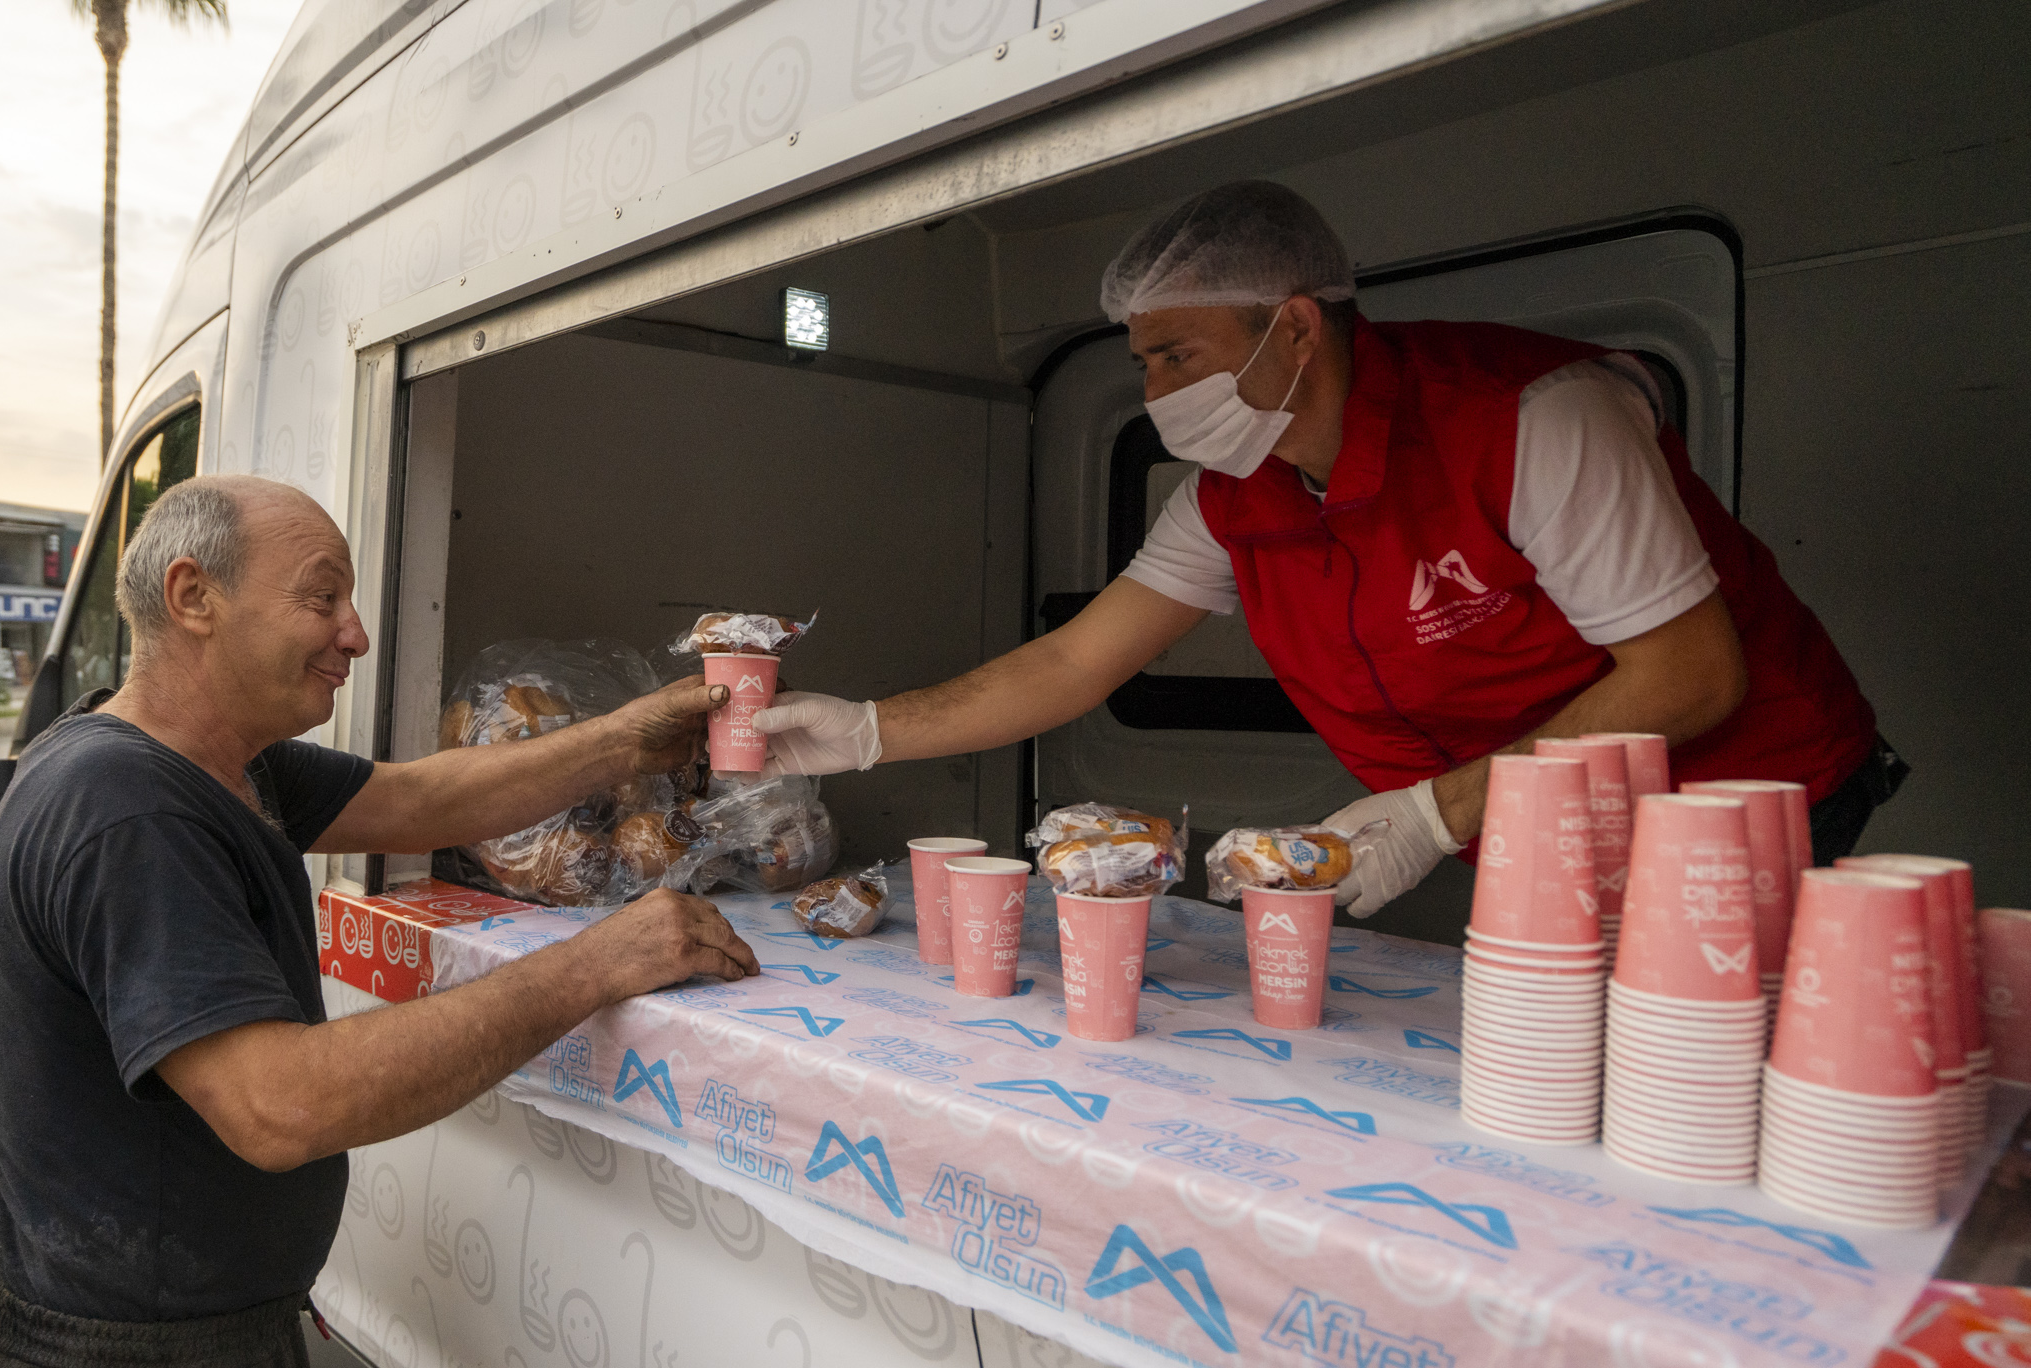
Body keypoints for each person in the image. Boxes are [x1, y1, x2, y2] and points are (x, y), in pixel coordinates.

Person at [753, 181, 1900, 917]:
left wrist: (1434, 812)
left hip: (1749, 797)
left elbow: (1688, 675)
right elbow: (1067, 666)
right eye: (1141, 361)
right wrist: (865, 731)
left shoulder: (1530, 419)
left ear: (1295, 325)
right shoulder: (1232, 497)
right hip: (1549, 820)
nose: (1150, 390)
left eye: (1172, 355)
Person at [0, 476, 759, 1368]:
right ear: (193, 597)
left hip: (186, 1340)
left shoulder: (216, 762)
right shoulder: (129, 810)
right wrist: (600, 961)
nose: (356, 633)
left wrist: (626, 738)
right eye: (321, 595)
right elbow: (280, 1105)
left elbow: (422, 801)